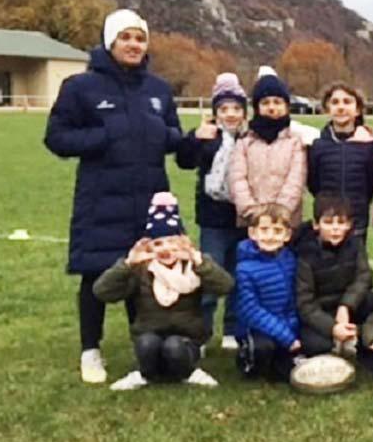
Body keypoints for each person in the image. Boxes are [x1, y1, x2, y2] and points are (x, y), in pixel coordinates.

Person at [44, 8, 182, 384]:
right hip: (101, 199)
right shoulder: (81, 87)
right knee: (96, 275)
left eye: (140, 38)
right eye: (126, 37)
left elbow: (173, 135)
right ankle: (91, 350)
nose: (134, 45)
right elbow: (56, 138)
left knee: (146, 276)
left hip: (150, 199)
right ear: (110, 42)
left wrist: (186, 141)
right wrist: (103, 137)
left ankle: (145, 347)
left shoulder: (158, 89)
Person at [93, 193, 232, 391]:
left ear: (182, 242)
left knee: (174, 346)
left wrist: (199, 260)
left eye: (171, 242)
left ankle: (188, 372)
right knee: (147, 344)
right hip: (150, 333)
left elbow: (225, 286)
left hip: (186, 338)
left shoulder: (193, 267)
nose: (165, 249)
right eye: (158, 243)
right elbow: (102, 291)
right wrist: (127, 264)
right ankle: (146, 374)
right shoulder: (142, 269)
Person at [175, 72, 248, 350]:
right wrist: (194, 138)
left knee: (238, 279)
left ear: (244, 112)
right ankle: (201, 331)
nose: (230, 114)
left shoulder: (249, 138)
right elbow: (183, 160)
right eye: (224, 109)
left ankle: (232, 329)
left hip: (243, 218)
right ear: (215, 111)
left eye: (236, 109)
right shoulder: (209, 137)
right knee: (209, 277)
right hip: (213, 221)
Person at [295, 195, 373, 360]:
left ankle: (364, 345)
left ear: (348, 225)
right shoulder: (305, 253)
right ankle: (333, 342)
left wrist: (346, 305)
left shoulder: (355, 244)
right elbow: (305, 303)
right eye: (328, 222)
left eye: (340, 223)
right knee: (317, 346)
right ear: (316, 225)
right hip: (320, 311)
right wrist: (333, 327)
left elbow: (364, 276)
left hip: (347, 306)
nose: (335, 228)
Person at [228, 71, 306, 228]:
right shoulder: (245, 142)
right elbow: (237, 179)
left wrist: (280, 212)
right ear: (257, 107)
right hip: (250, 222)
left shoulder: (295, 142)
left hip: (286, 222)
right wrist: (252, 211)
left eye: (277, 102)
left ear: (286, 106)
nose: (272, 107)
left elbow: (296, 181)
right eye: (265, 103)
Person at [233, 204, 301, 383]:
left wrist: (293, 329)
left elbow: (294, 300)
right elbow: (251, 310)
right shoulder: (244, 268)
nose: (270, 236)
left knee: (285, 374)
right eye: (264, 230)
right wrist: (286, 336)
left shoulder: (290, 259)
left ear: (287, 235)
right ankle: (248, 363)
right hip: (256, 328)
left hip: (285, 324)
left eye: (277, 231)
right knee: (264, 348)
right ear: (252, 233)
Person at [308, 82, 373, 240]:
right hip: (327, 221)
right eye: (335, 102)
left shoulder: (369, 146)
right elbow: (313, 183)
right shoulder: (318, 146)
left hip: (357, 220)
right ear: (327, 109)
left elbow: (371, 183)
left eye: (347, 102)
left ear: (358, 109)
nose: (341, 107)